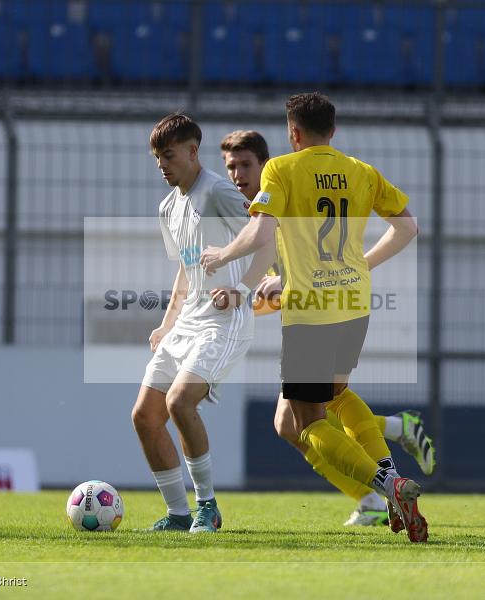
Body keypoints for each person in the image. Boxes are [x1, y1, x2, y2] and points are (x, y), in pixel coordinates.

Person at [201, 94, 426, 542]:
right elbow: (408, 227)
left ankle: (389, 487)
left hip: (311, 308)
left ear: (293, 134)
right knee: (339, 394)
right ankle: (390, 482)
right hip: (355, 303)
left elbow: (262, 230)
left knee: (309, 423)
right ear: (333, 131)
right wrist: (361, 264)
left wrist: (222, 254)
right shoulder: (362, 172)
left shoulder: (281, 170)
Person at [132, 113, 272, 533]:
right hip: (187, 322)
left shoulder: (217, 191)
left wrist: (243, 290)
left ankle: (207, 508)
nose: (162, 164)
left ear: (193, 152)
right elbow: (186, 270)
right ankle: (178, 513)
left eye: (169, 155)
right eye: (157, 157)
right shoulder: (168, 206)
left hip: (223, 321)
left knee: (179, 402)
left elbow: (266, 239)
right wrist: (166, 322)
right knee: (144, 416)